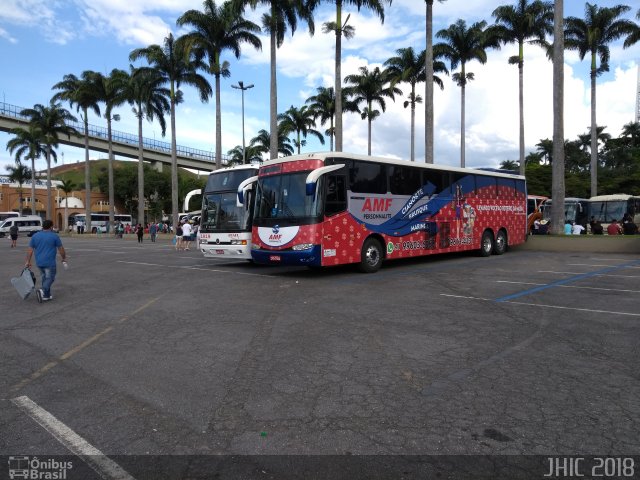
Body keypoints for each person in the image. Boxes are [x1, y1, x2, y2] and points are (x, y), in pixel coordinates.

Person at [25, 219, 67, 303]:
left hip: (39, 262)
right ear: (51, 227)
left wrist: (28, 261)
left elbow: (30, 250)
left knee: (44, 278)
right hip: (49, 262)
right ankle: (42, 290)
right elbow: (61, 249)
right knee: (50, 278)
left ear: (42, 226)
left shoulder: (35, 236)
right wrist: (63, 257)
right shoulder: (54, 236)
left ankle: (46, 295)